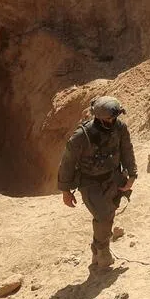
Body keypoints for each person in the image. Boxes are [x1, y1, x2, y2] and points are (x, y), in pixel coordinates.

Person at [57, 96, 138, 268]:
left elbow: (127, 150)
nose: (113, 121)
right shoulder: (81, 136)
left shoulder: (119, 128)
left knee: (109, 213)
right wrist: (65, 190)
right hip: (90, 184)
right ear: (99, 117)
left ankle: (96, 248)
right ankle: (103, 251)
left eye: (114, 117)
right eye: (110, 118)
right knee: (103, 216)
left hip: (113, 178)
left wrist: (132, 175)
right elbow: (67, 163)